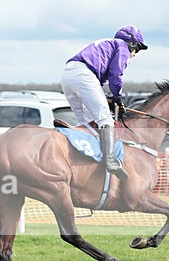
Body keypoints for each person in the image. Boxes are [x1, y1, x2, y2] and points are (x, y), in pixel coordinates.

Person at [60, 25, 148, 180]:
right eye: (137, 49)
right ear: (132, 43)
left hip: (68, 75)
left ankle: (86, 160)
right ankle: (110, 161)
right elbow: (116, 76)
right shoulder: (123, 47)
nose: (134, 54)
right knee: (105, 119)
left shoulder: (109, 45)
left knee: (86, 122)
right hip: (83, 75)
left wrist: (108, 98)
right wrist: (118, 97)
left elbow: (96, 84)